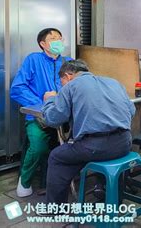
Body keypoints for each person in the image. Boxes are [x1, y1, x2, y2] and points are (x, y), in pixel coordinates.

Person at [41, 60, 135, 204]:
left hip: (95, 147)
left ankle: (54, 208)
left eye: (62, 82)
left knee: (57, 157)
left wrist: (50, 99)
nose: (62, 87)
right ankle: (103, 188)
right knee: (86, 150)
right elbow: (132, 111)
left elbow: (53, 118)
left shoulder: (71, 86)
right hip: (125, 143)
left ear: (68, 76)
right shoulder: (114, 82)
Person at [10, 28, 72, 198]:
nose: (59, 41)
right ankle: (25, 181)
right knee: (37, 147)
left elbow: (80, 84)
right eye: (53, 38)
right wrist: (41, 103)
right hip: (38, 116)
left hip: (65, 117)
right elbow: (17, 88)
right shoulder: (33, 60)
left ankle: (60, 182)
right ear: (43, 44)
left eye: (60, 37)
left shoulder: (68, 62)